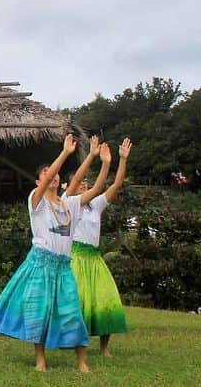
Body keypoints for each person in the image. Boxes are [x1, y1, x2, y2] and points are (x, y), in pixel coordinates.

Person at [0, 134, 107, 372]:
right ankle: (40, 360)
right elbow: (49, 178)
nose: (52, 176)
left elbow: (95, 188)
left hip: (62, 266)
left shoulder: (68, 203)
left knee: (72, 313)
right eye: (46, 174)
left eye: (55, 174)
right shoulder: (36, 200)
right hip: (41, 263)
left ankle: (82, 361)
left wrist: (95, 158)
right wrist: (64, 154)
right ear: (39, 180)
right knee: (38, 311)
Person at [65, 137, 132, 356]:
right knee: (78, 302)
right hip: (75, 256)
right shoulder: (68, 204)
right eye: (79, 181)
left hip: (94, 257)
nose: (83, 184)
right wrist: (97, 160)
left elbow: (115, 184)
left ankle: (104, 347)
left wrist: (118, 160)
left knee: (105, 299)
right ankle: (71, 342)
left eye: (86, 181)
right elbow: (89, 185)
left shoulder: (96, 206)